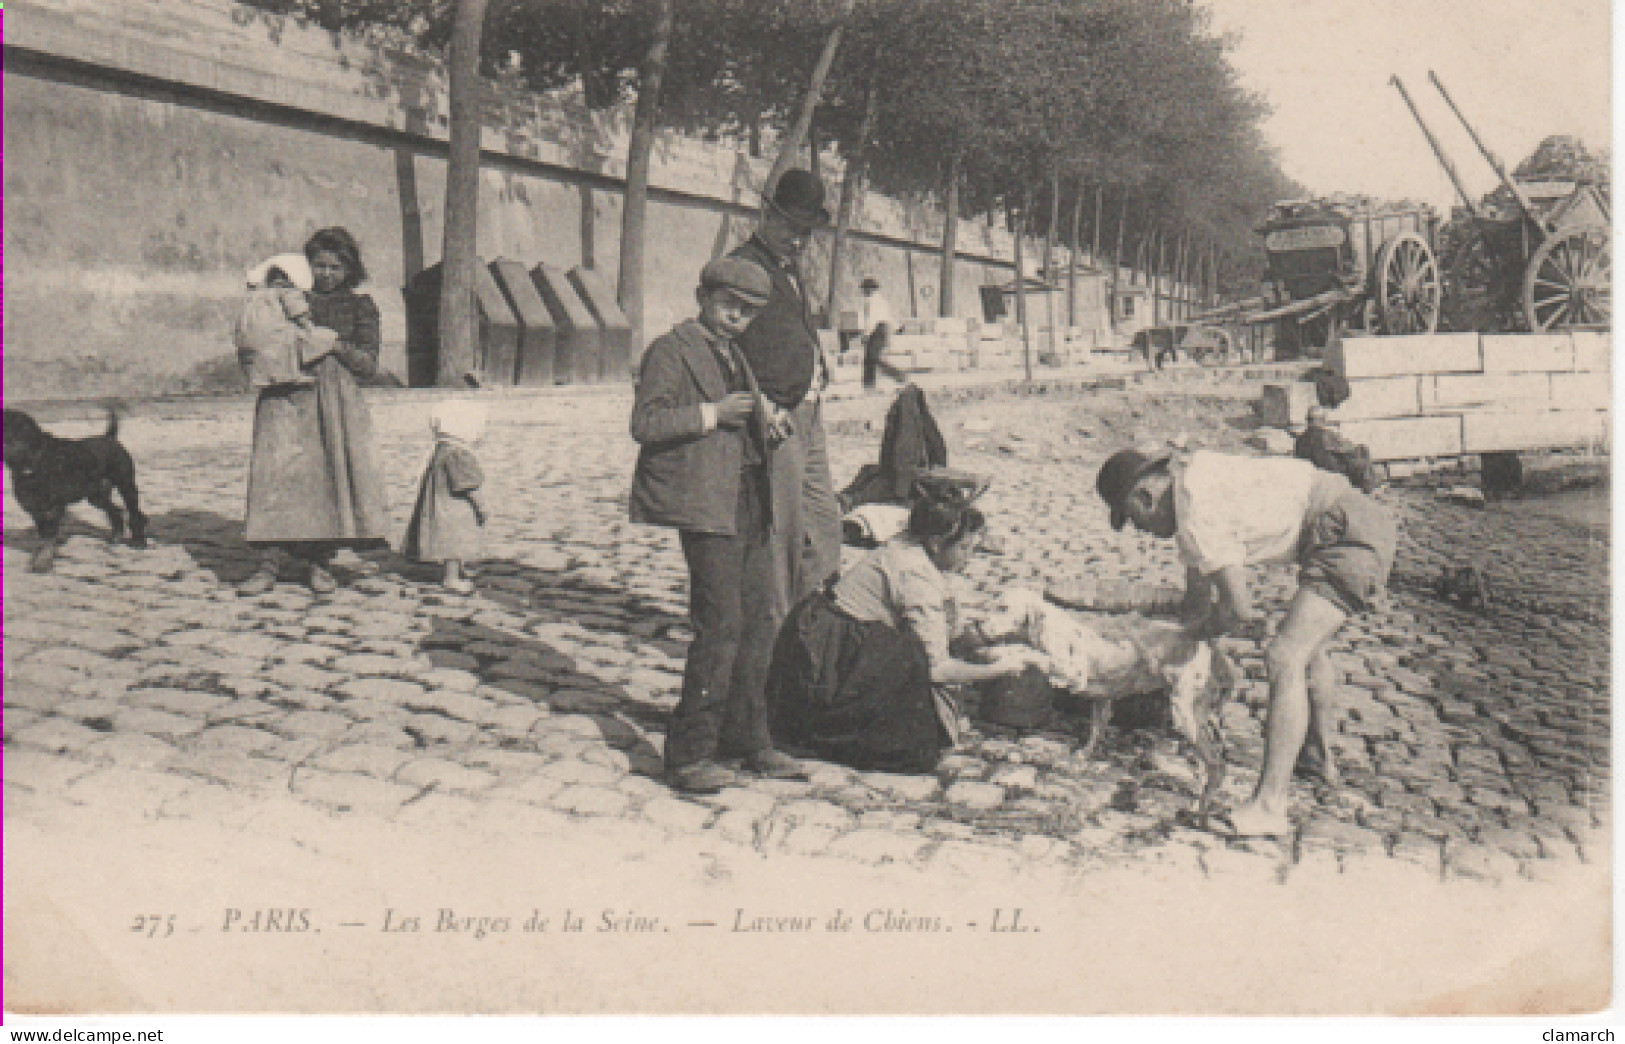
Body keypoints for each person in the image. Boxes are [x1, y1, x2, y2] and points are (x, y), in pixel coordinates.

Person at [1096, 446, 1397, 838]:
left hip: (1346, 535)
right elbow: (1197, 602)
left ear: (1144, 497)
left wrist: (1185, 639)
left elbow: (1239, 608)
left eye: (1134, 520)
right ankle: (1315, 757)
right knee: (1312, 650)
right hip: (1355, 517)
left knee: (1285, 655)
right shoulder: (1193, 476)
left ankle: (1270, 806)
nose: (1140, 532)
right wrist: (1158, 621)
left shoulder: (1194, 514)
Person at [629, 257, 808, 794]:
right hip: (707, 505)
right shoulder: (671, 349)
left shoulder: (735, 353)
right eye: (729, 305)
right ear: (702, 295)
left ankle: (748, 740)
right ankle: (688, 754)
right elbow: (645, 423)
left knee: (758, 620)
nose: (737, 318)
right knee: (721, 624)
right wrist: (712, 414)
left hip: (748, 496)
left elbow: (743, 408)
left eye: (749, 312)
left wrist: (767, 420)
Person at [765, 478, 1047, 772]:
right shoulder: (918, 576)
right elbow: (938, 668)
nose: (968, 557)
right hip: (835, 658)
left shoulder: (906, 544)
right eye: (964, 548)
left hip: (823, 635)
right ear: (937, 544)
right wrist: (997, 671)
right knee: (916, 725)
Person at [240, 227, 390, 595]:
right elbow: (260, 337)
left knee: (326, 479)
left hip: (334, 403)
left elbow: (368, 364)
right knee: (275, 477)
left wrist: (333, 344)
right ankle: (267, 564)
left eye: (335, 267)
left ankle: (320, 563)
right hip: (284, 397)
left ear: (349, 269)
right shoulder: (287, 297)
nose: (326, 274)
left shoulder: (360, 307)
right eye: (319, 266)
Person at [731, 168, 842, 618]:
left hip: (810, 411)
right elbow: (728, 347)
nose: (798, 240)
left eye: (806, 233)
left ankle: (809, 622)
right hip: (779, 416)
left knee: (825, 524)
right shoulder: (743, 267)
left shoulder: (789, 267)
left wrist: (817, 355)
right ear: (767, 215)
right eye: (790, 228)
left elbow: (792, 326)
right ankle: (776, 635)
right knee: (784, 532)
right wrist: (762, 406)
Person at [403, 400, 489, 594]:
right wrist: (481, 506)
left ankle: (457, 570)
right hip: (454, 509)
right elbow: (468, 485)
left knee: (452, 543)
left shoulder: (441, 450)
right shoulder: (459, 454)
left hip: (440, 505)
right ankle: (451, 578)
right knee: (454, 543)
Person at [234, 253, 335, 388]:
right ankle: (294, 375)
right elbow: (298, 312)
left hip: (248, 338)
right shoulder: (287, 291)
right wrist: (310, 327)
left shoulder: (256, 294)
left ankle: (263, 379)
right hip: (275, 336)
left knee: (264, 356)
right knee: (295, 340)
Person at [858, 277, 906, 391]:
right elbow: (888, 316)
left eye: (865, 289)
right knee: (870, 358)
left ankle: (898, 375)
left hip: (878, 330)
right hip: (882, 329)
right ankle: (869, 385)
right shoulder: (881, 301)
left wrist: (866, 334)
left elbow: (872, 319)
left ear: (870, 289)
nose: (863, 292)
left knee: (873, 357)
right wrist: (897, 328)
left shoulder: (872, 301)